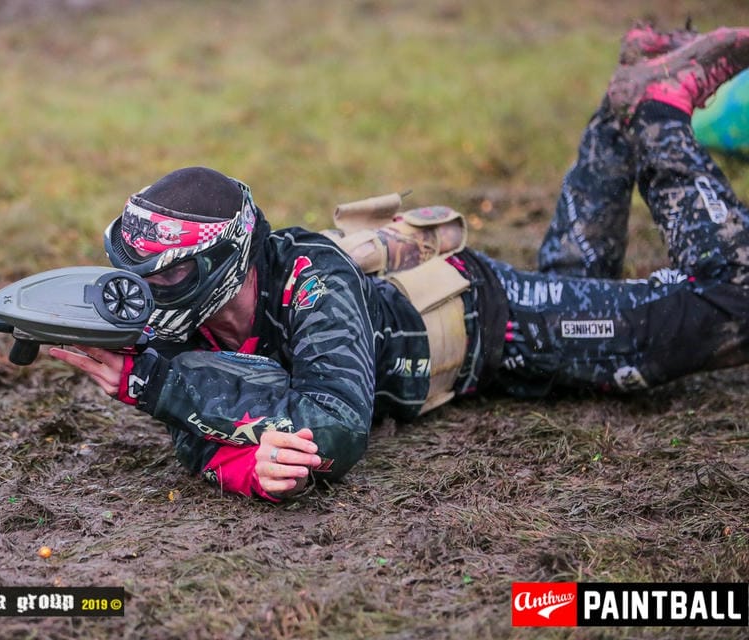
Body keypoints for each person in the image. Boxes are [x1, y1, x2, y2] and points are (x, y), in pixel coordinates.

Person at [50, 24, 749, 501]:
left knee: (732, 306)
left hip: (492, 323)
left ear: (225, 263)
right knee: (582, 287)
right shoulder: (179, 324)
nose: (147, 290)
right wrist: (252, 467)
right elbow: (203, 430)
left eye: (167, 272)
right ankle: (625, 99)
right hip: (472, 354)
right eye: (137, 271)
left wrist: (154, 384)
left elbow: (335, 426)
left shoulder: (309, 276)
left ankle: (657, 111)